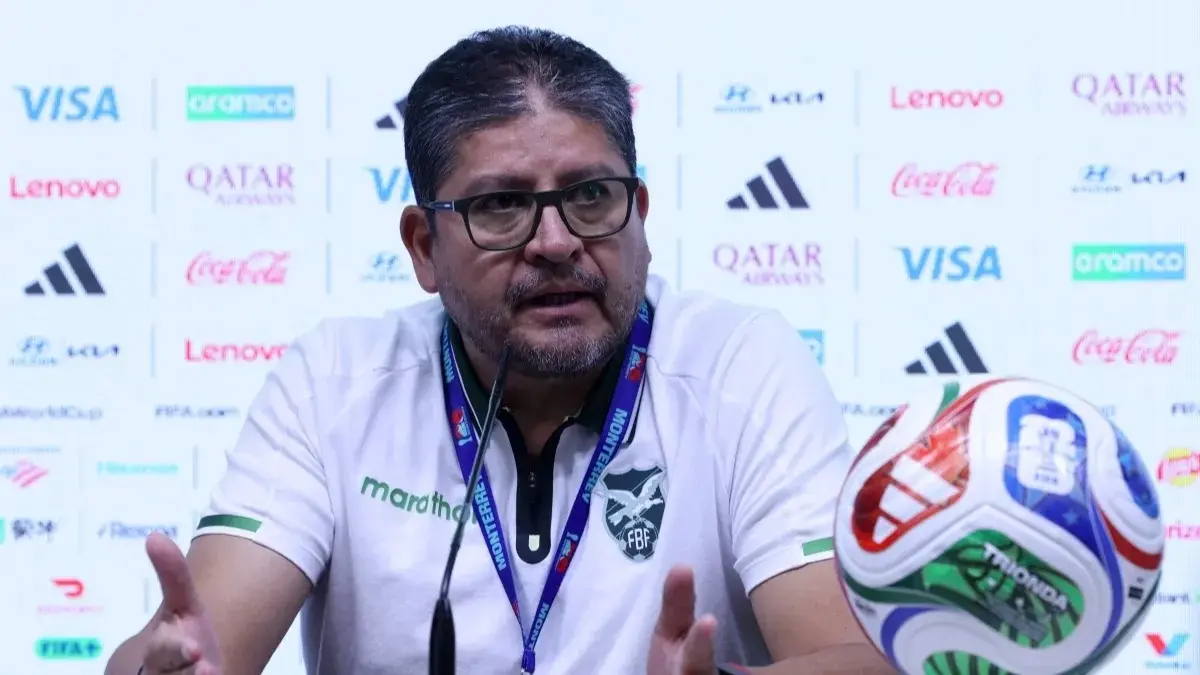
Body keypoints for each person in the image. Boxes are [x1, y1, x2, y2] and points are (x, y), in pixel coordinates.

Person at [105, 25, 893, 675]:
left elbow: (856, 654)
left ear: (641, 215)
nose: (555, 242)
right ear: (423, 246)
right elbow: (197, 643)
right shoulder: (334, 384)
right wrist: (161, 668)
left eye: (591, 196)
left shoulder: (738, 366)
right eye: (502, 205)